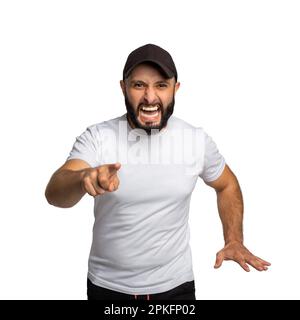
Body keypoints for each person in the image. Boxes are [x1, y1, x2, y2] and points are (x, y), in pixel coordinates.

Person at [45, 44, 271, 300]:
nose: (150, 97)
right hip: (108, 289)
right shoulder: (99, 137)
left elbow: (227, 184)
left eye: (161, 85)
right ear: (123, 88)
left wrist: (234, 240)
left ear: (176, 88)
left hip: (176, 287)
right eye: (139, 85)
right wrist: (82, 178)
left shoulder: (195, 141)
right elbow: (55, 193)